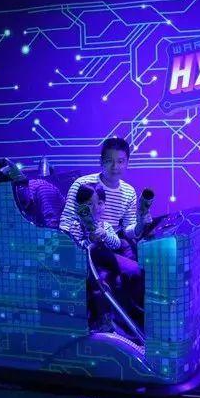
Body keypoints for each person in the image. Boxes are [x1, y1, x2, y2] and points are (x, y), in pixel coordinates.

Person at [59, 137, 151, 335]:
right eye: (109, 161)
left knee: (138, 271)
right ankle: (109, 324)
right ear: (101, 161)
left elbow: (128, 230)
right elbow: (66, 222)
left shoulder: (128, 192)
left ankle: (137, 322)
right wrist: (80, 244)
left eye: (120, 161)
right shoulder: (83, 184)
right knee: (110, 277)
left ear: (127, 162)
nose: (115, 167)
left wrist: (140, 224)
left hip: (112, 242)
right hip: (85, 247)